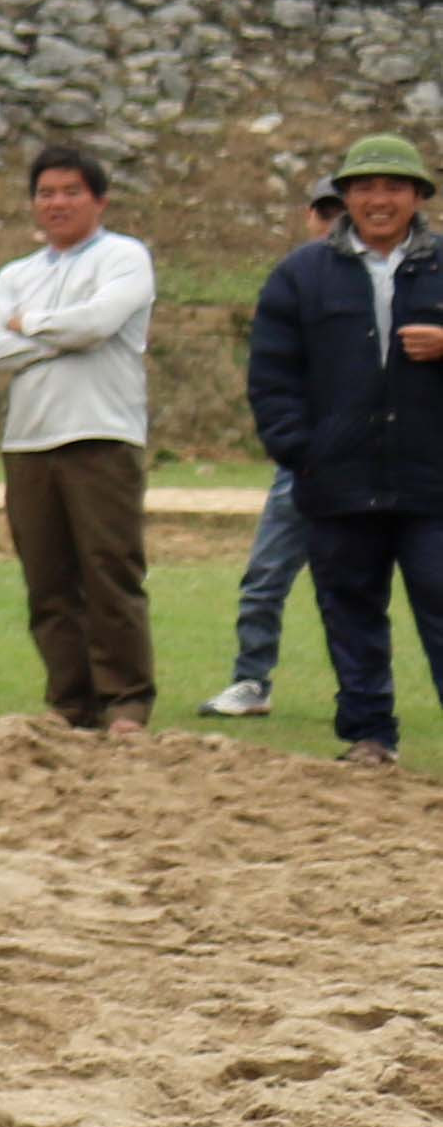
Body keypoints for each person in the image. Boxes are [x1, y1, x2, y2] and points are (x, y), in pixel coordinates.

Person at [247, 135, 443, 766]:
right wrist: (300, 451)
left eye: (392, 187)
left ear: (416, 196)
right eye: (363, 187)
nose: (377, 199)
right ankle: (369, 737)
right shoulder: (300, 274)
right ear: (344, 197)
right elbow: (272, 375)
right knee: (350, 611)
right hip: (337, 480)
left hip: (433, 480)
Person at [0, 144, 159, 735]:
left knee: (110, 572)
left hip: (101, 434)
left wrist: (28, 325)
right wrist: (64, 334)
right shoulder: (16, 274)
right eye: (46, 193)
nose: (57, 203)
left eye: (70, 191)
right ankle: (70, 702)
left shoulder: (124, 258)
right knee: (48, 581)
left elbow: (98, 323)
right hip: (30, 441)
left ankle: (125, 700)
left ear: (99, 200)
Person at [210, 181, 344, 722]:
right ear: (310, 215)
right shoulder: (297, 279)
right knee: (265, 576)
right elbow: (272, 371)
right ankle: (251, 679)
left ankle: (363, 697)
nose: (335, 222)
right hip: (305, 462)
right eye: (327, 211)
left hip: (377, 461)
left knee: (367, 588)